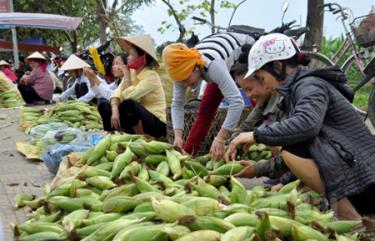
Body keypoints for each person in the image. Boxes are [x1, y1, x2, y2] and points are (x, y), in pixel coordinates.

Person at [226, 33, 375, 220]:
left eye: (262, 78)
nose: (264, 84)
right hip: (360, 182)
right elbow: (308, 151)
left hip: (366, 182)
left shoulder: (309, 86)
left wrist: (254, 135)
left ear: (278, 66)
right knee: (292, 146)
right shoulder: (298, 89)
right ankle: (354, 215)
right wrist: (259, 169)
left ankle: (350, 219)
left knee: (290, 148)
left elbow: (306, 127)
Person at [162, 32, 255, 160]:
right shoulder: (180, 72)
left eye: (186, 80)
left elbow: (237, 102)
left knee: (256, 98)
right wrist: (178, 136)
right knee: (205, 110)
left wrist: (220, 138)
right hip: (221, 59)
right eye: (181, 81)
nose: (185, 85)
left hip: (245, 49)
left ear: (194, 68)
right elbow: (177, 104)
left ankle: (261, 143)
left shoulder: (213, 67)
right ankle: (187, 155)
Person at [100, 34, 166, 138]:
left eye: (131, 55)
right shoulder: (132, 73)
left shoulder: (151, 76)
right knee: (103, 103)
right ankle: (111, 135)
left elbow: (130, 97)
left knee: (129, 104)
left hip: (155, 123)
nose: (128, 58)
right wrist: (115, 111)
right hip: (137, 119)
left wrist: (126, 74)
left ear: (142, 57)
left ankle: (141, 139)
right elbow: (116, 95)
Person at [84, 53, 129, 130]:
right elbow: (99, 93)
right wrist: (90, 78)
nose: (113, 67)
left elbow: (109, 95)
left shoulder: (127, 80)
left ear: (126, 66)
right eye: (113, 64)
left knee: (103, 104)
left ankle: (113, 131)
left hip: (127, 113)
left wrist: (94, 77)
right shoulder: (117, 82)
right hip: (119, 111)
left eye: (117, 64)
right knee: (101, 101)